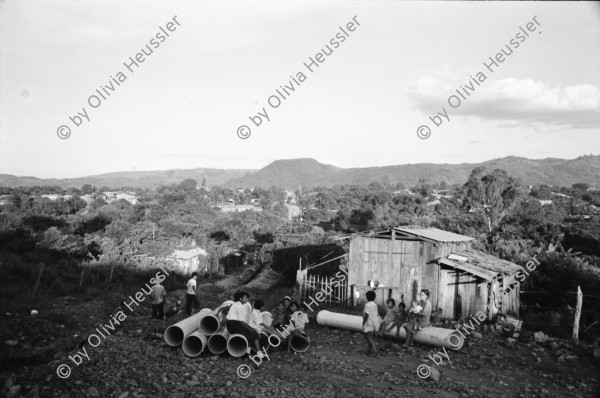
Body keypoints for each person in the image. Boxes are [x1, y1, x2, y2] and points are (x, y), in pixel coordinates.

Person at [362, 290, 380, 355]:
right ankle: (369, 349)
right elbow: (376, 314)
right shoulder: (375, 305)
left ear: (367, 297)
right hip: (374, 322)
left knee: (368, 337)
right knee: (370, 336)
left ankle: (374, 350)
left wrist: (364, 322)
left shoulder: (367, 305)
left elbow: (367, 315)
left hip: (368, 322)